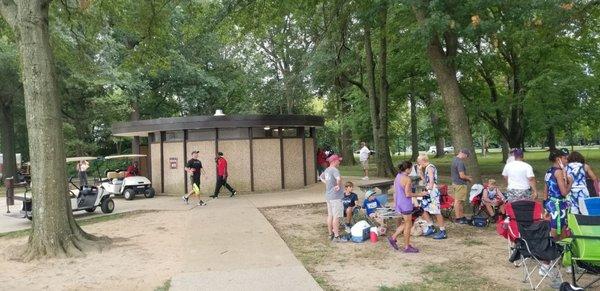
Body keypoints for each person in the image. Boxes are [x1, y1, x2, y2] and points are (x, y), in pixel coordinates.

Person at [388, 161, 426, 253]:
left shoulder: (398, 176)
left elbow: (397, 191)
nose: (412, 170)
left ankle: (393, 238)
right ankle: (406, 247)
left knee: (406, 222)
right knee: (408, 225)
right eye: (411, 168)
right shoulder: (407, 179)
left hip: (399, 202)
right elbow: (408, 194)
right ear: (407, 169)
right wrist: (420, 194)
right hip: (405, 204)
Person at [543, 149, 572, 240]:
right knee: (559, 229)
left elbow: (545, 190)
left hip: (550, 203)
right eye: (565, 158)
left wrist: (545, 205)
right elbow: (563, 192)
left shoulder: (549, 171)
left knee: (554, 226)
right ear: (558, 159)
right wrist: (570, 182)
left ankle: (556, 249)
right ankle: (557, 249)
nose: (567, 160)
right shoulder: (558, 172)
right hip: (558, 205)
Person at [319, 154, 348, 242]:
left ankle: (330, 234)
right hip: (336, 197)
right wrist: (338, 186)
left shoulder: (327, 170)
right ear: (334, 161)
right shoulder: (335, 170)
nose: (339, 162)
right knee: (336, 217)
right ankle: (336, 236)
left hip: (328, 196)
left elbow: (320, 177)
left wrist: (327, 183)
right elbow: (338, 179)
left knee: (330, 215)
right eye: (338, 160)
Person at [418, 154, 447, 239]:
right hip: (428, 189)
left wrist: (428, 191)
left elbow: (431, 181)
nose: (419, 163)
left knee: (436, 211)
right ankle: (431, 227)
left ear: (423, 160)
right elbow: (424, 181)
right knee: (423, 208)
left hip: (432, 191)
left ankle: (442, 231)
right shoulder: (426, 168)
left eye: (419, 161)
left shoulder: (430, 167)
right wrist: (420, 172)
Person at [450, 149, 472, 224]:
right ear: (464, 154)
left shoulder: (454, 159)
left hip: (455, 183)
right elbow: (462, 176)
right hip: (460, 184)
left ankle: (462, 216)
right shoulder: (460, 162)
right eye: (467, 156)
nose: (466, 158)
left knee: (460, 201)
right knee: (458, 201)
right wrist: (468, 178)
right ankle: (458, 218)